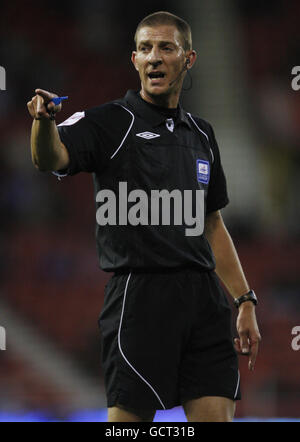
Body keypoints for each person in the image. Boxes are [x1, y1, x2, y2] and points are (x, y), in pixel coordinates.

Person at [27, 11, 261, 422]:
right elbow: (50, 157)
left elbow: (210, 223)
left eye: (166, 48)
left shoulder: (203, 134)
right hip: (140, 299)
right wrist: (43, 124)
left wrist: (244, 300)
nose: (154, 57)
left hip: (204, 302)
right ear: (134, 60)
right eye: (145, 49)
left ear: (188, 59)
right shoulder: (109, 122)